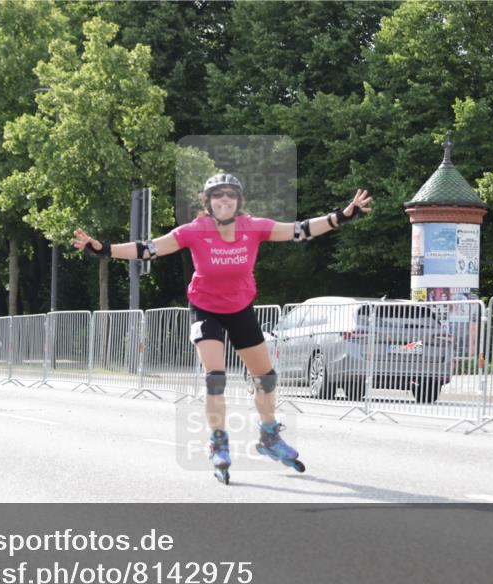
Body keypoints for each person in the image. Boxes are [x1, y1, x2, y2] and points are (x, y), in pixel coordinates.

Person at [72, 173, 372, 484]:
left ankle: (269, 436)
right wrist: (104, 249)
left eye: (230, 195)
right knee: (215, 378)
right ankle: (218, 441)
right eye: (218, 196)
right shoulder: (194, 231)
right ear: (208, 202)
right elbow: (148, 249)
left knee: (266, 379)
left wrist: (342, 216)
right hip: (205, 308)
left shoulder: (253, 227)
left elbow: (300, 230)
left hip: (240, 308)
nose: (224, 200)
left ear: (239, 202)